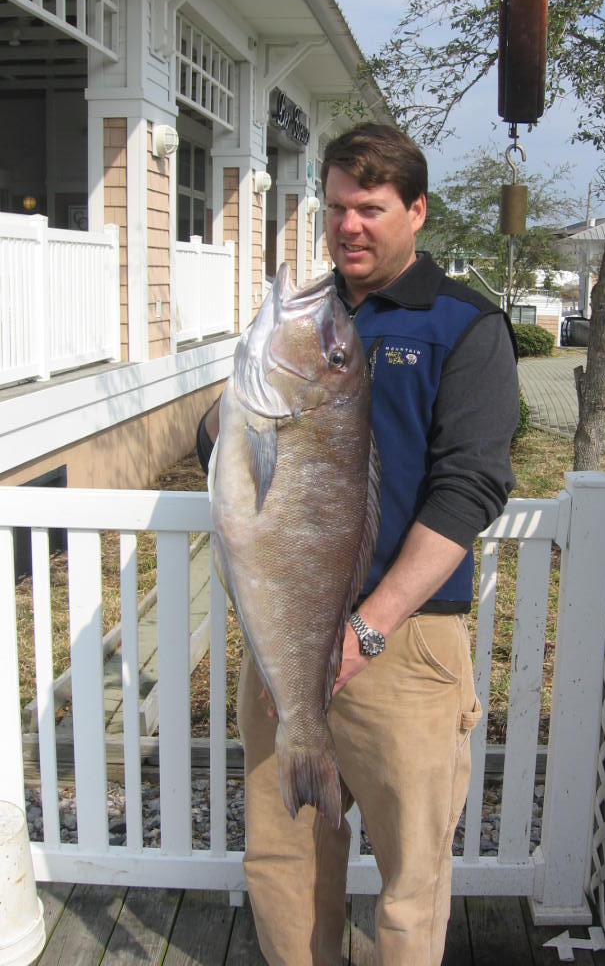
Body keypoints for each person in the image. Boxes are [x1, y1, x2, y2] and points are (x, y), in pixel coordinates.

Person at [197, 122, 519, 965]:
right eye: (337, 207)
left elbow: (469, 491)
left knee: (411, 875)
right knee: (284, 858)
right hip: (288, 641)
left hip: (405, 648)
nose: (349, 226)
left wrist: (367, 627)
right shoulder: (311, 320)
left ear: (417, 210)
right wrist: (238, 408)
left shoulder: (466, 326)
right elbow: (227, 459)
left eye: (370, 208)